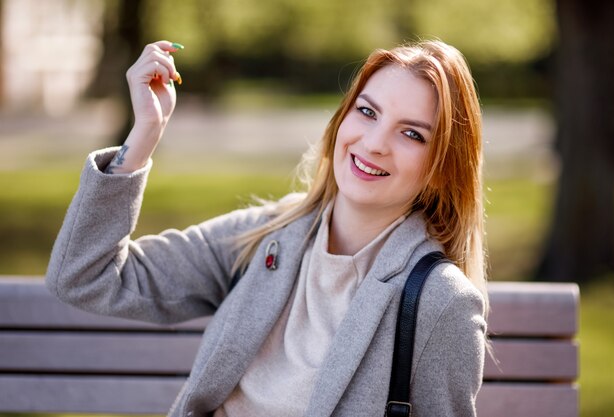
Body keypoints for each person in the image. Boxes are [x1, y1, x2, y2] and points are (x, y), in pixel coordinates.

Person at [46, 39, 487, 417]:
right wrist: (143, 135)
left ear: (442, 169)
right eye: (367, 112)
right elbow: (85, 276)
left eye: (412, 134)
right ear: (342, 119)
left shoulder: (440, 302)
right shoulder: (267, 235)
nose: (374, 143)